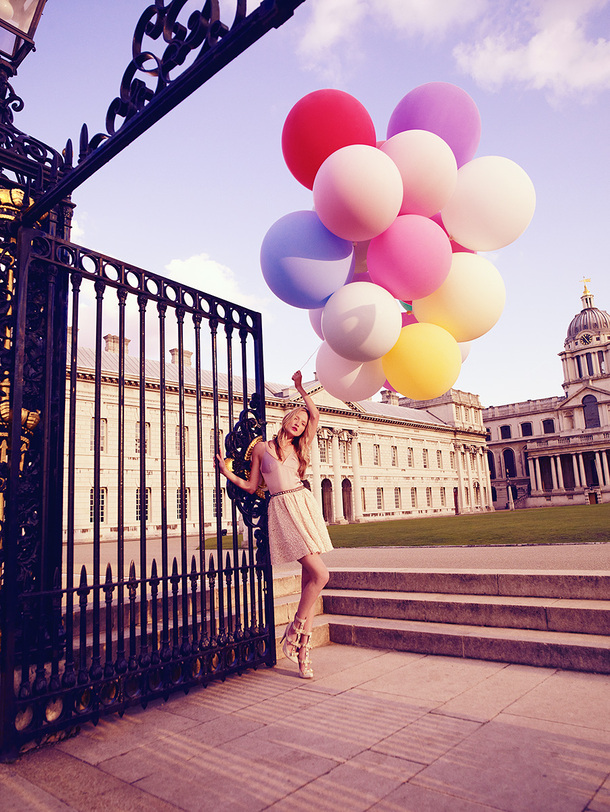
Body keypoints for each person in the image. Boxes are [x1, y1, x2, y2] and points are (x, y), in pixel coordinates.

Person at [216, 370, 332, 679]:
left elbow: (316, 415)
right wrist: (228, 475)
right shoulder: (263, 450)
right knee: (321, 574)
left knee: (312, 579)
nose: (300, 423)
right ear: (286, 418)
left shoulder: (299, 448)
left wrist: (300, 389)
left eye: (304, 423)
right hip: (281, 508)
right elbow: (253, 486)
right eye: (297, 418)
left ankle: (302, 652)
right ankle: (294, 631)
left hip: (303, 504)